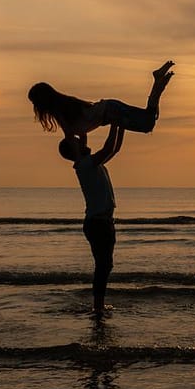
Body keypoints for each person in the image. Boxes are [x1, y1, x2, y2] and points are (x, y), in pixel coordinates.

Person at [58, 124, 124, 318]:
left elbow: (115, 149)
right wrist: (114, 122)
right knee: (103, 265)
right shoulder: (85, 165)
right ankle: (98, 307)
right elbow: (108, 148)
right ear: (74, 150)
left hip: (103, 222)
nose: (81, 141)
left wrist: (121, 125)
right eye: (77, 142)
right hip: (98, 223)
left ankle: (98, 306)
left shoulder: (92, 163)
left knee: (105, 265)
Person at [29, 61, 174, 138]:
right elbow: (80, 134)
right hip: (110, 107)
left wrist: (78, 158)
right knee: (148, 118)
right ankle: (158, 80)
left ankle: (158, 81)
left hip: (110, 111)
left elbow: (69, 134)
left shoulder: (60, 111)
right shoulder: (66, 104)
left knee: (147, 123)